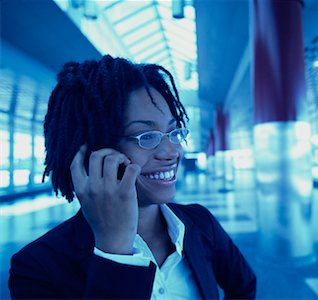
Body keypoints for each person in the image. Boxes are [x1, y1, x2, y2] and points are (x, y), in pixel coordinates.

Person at [8, 55, 256, 299]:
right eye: (146, 136)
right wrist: (113, 251)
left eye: (173, 132)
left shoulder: (201, 224)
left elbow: (244, 287)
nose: (171, 151)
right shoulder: (38, 268)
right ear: (93, 153)